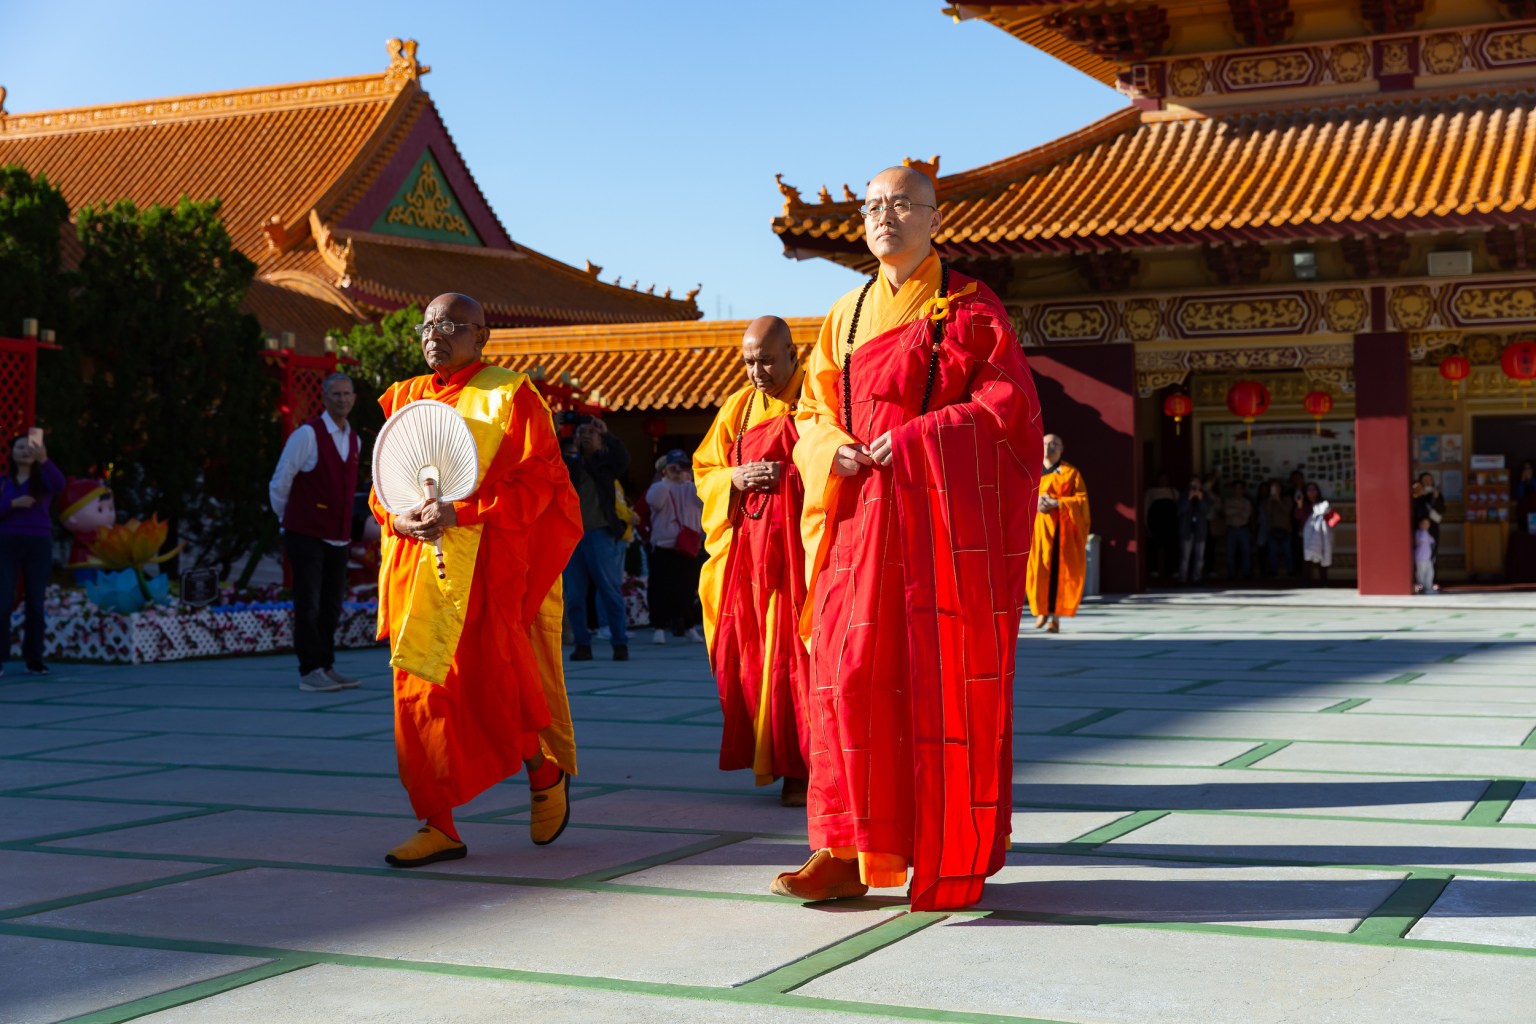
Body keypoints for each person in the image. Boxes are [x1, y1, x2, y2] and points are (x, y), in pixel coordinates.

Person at [776, 165, 1042, 911]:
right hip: (858, 517)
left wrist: (924, 437)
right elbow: (811, 413)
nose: (884, 216)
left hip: (935, 530)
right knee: (846, 677)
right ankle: (844, 847)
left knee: (932, 681)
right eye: (872, 205)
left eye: (900, 204)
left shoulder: (969, 307)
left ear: (933, 218)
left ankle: (940, 851)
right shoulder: (847, 313)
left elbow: (1009, 407)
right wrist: (833, 449)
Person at [370, 293, 583, 868]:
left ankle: (544, 774)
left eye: (451, 325)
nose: (435, 334)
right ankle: (437, 824)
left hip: (485, 571)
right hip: (420, 574)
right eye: (429, 325)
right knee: (419, 699)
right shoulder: (406, 398)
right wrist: (399, 518)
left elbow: (543, 484)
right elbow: (385, 490)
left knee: (497, 691)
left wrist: (462, 513)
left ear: (482, 337)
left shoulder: (510, 397)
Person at [693, 315, 810, 806]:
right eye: (747, 362)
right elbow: (706, 472)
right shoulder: (738, 410)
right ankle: (772, 757)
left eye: (765, 360)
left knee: (798, 663)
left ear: (793, 355)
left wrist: (794, 472)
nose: (757, 371)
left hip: (803, 553)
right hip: (748, 556)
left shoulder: (818, 400)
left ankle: (803, 768)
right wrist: (735, 479)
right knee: (752, 662)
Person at [269, 373, 360, 693]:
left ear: (354, 398)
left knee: (332, 603)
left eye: (347, 394)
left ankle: (326, 664)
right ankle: (309, 670)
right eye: (336, 394)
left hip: (337, 536)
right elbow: (281, 481)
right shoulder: (307, 435)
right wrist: (289, 519)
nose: (342, 399)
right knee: (308, 603)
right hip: (305, 533)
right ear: (324, 397)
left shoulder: (354, 439)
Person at [561, 415, 631, 662]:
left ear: (600, 438)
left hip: (601, 534)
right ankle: (583, 644)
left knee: (610, 592)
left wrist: (608, 436)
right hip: (573, 537)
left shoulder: (606, 464)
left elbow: (622, 459)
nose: (586, 436)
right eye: (582, 432)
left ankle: (619, 643)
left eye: (592, 432)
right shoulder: (570, 465)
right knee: (574, 597)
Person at [0, 433, 64, 676]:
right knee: (3, 600)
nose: (25, 451)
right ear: (12, 452)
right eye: (19, 447)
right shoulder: (4, 481)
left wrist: (45, 459)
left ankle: (34, 658)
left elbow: (60, 485)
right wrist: (13, 505)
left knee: (35, 601)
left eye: (30, 448)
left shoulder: (42, 479)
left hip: (38, 542)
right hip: (6, 541)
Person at [1026, 434, 1089, 633]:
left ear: (1062, 448)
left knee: (1058, 575)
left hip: (1061, 534)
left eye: (1054, 444)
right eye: (1045, 443)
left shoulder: (1070, 473)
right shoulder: (1031, 471)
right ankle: (1041, 611)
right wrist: (1034, 502)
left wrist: (1057, 503)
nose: (1049, 447)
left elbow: (1081, 501)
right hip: (1037, 532)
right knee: (1037, 572)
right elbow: (1018, 497)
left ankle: (1055, 619)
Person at [645, 451, 705, 644]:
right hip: (663, 546)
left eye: (683, 466)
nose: (679, 470)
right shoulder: (659, 487)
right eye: (674, 466)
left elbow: (704, 497)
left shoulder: (692, 488)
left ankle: (689, 625)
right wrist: (667, 478)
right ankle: (659, 627)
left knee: (687, 588)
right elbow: (654, 502)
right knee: (660, 588)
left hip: (687, 547)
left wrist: (694, 475)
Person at [1143, 473, 1178, 580]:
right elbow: (1145, 508)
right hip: (1156, 523)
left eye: (1165, 479)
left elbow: (1179, 508)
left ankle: (1172, 570)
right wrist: (1145, 525)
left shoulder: (1173, 491)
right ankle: (1154, 570)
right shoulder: (1151, 491)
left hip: (1170, 523)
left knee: (1171, 547)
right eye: (1161, 479)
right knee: (1154, 547)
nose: (1163, 481)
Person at [1177, 476, 1210, 584]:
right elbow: (1180, 510)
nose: (1195, 486)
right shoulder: (1183, 495)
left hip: (1200, 530)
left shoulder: (1205, 496)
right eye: (1193, 484)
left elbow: (1206, 511)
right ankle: (1183, 578)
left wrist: (1200, 500)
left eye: (1197, 484)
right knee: (1185, 556)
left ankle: (1197, 577)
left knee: (1200, 556)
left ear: (1200, 485)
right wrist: (1189, 498)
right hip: (1187, 530)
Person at [1301, 481, 1335, 585]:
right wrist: (1299, 506)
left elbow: (1334, 520)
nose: (1312, 492)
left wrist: (1326, 512)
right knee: (1307, 560)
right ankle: (1306, 583)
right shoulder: (1303, 504)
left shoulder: (1324, 504)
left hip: (1322, 536)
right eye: (1309, 490)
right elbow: (1297, 517)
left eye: (1314, 489)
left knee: (1323, 557)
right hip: (1304, 536)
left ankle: (1324, 583)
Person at [1222, 477, 1254, 581]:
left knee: (1246, 552)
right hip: (1231, 529)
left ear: (1243, 489)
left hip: (1243, 529)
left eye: (1240, 488)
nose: (1237, 490)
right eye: (1235, 488)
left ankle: (1246, 573)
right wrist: (1239, 510)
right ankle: (1231, 574)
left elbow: (1246, 515)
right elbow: (1226, 512)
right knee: (1230, 552)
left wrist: (1234, 510)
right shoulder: (1228, 500)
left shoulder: (1247, 502)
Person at [1261, 479, 1292, 578]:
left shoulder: (1286, 499)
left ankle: (1290, 571)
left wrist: (1278, 499)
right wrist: (1271, 500)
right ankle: (1273, 571)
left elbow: (1287, 510)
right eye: (1273, 488)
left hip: (1285, 529)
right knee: (1272, 552)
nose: (1276, 490)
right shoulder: (1267, 501)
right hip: (1273, 529)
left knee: (1287, 552)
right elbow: (1267, 512)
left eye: (1277, 487)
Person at [1413, 517, 1436, 594]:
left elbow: (1432, 541)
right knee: (1421, 575)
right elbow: (1422, 540)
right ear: (1420, 524)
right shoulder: (1419, 533)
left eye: (1427, 523)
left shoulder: (1427, 533)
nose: (1426, 525)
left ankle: (1428, 588)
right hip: (1420, 557)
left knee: (1430, 573)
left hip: (1427, 558)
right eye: (1424, 523)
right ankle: (1422, 589)